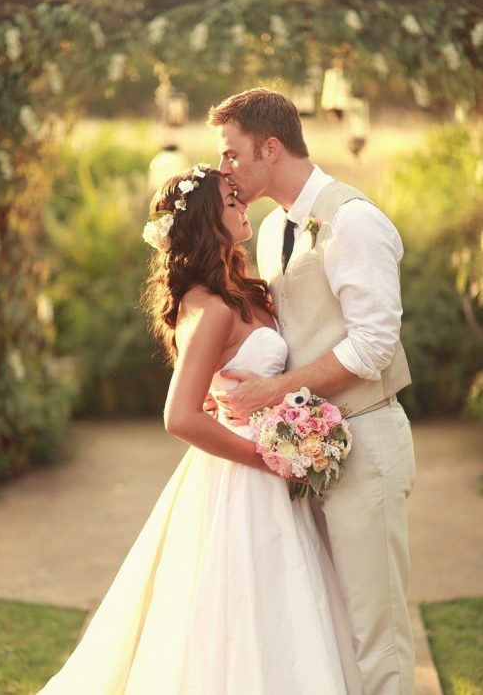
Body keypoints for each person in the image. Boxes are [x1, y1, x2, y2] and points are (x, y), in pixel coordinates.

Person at [36, 165, 362, 694]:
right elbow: (180, 416)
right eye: (231, 202)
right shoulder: (209, 308)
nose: (243, 206)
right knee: (242, 610)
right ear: (209, 220)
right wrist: (268, 458)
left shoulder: (247, 287)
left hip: (277, 470)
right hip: (243, 477)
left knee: (292, 603)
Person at [208, 88, 417, 695]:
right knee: (327, 626)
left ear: (269, 148)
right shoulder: (272, 231)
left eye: (231, 153)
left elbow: (374, 345)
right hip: (303, 453)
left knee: (378, 636)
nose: (225, 168)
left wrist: (274, 389)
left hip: (368, 440)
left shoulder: (355, 221)